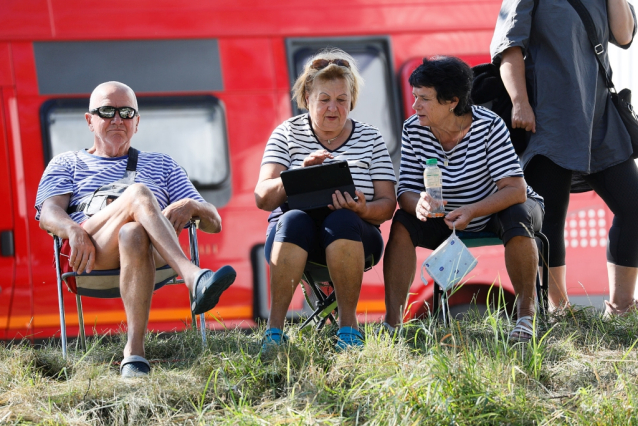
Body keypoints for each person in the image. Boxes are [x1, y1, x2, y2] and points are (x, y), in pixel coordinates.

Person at [35, 81, 237, 377]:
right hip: (91, 250)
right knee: (139, 193)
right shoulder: (68, 163)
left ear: (137, 122)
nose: (118, 119)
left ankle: (134, 354)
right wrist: (73, 230)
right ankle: (194, 277)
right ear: (90, 120)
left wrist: (192, 207)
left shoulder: (163, 165)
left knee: (133, 232)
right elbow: (48, 211)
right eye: (107, 111)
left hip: (148, 252)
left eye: (127, 112)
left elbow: (214, 222)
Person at [492, 0, 638, 316]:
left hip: (600, 119)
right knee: (550, 217)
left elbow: (624, 36)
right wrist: (520, 104)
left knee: (633, 204)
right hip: (549, 118)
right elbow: (509, 49)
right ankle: (559, 310)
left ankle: (622, 308)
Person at [383, 56, 544, 342]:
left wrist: (473, 209)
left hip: (497, 207)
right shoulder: (413, 128)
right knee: (402, 222)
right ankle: (393, 325)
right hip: (449, 216)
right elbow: (404, 190)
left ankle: (525, 318)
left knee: (517, 215)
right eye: (414, 96)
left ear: (452, 102)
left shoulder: (489, 125)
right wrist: (417, 202)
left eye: (424, 99)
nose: (415, 106)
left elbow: (515, 189)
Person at [254, 48, 397, 350]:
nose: (333, 108)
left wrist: (363, 208)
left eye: (341, 100)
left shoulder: (370, 137)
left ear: (352, 101)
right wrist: (297, 175)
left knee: (343, 218)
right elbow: (263, 198)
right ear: (307, 98)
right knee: (293, 217)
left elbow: (387, 205)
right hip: (292, 236)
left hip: (355, 235)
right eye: (324, 99)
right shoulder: (287, 134)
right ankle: (274, 332)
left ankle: (349, 329)